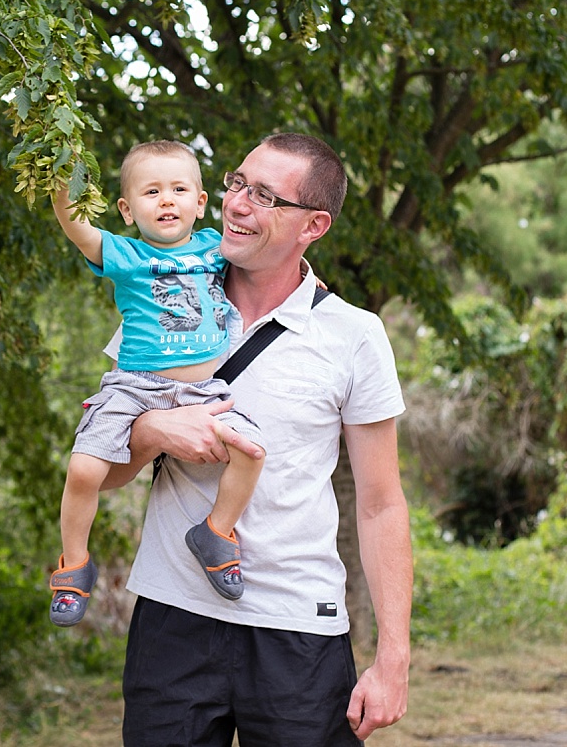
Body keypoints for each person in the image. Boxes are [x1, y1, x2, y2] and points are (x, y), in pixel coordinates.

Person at [102, 130, 413, 746]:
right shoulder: (164, 303)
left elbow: (381, 504)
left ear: (314, 225)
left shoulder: (355, 336)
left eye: (266, 195)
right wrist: (152, 430)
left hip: (299, 631)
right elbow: (102, 466)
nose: (237, 204)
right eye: (237, 183)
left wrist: (394, 658)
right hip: (173, 620)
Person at [47, 139, 268, 626]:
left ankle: (216, 532)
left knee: (251, 450)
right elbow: (76, 226)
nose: (166, 200)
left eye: (178, 189)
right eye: (151, 192)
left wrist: (307, 277)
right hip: (134, 387)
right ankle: (74, 566)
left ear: (200, 202)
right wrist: (63, 182)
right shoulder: (124, 254)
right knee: (83, 470)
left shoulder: (215, 246)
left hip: (203, 391)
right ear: (127, 210)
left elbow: (267, 252)